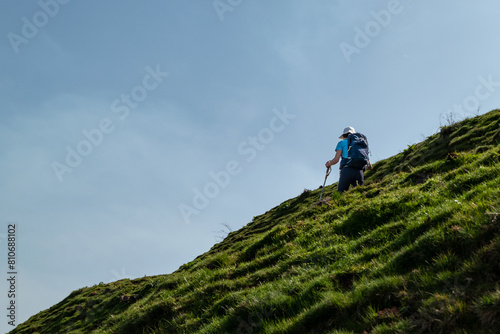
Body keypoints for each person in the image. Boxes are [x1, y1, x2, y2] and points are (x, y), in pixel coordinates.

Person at [325, 126, 372, 193]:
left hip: (347, 171)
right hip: (359, 171)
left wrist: (329, 164)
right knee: (360, 194)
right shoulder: (360, 143)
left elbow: (336, 160)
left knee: (340, 195)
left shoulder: (341, 143)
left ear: (344, 135)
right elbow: (370, 166)